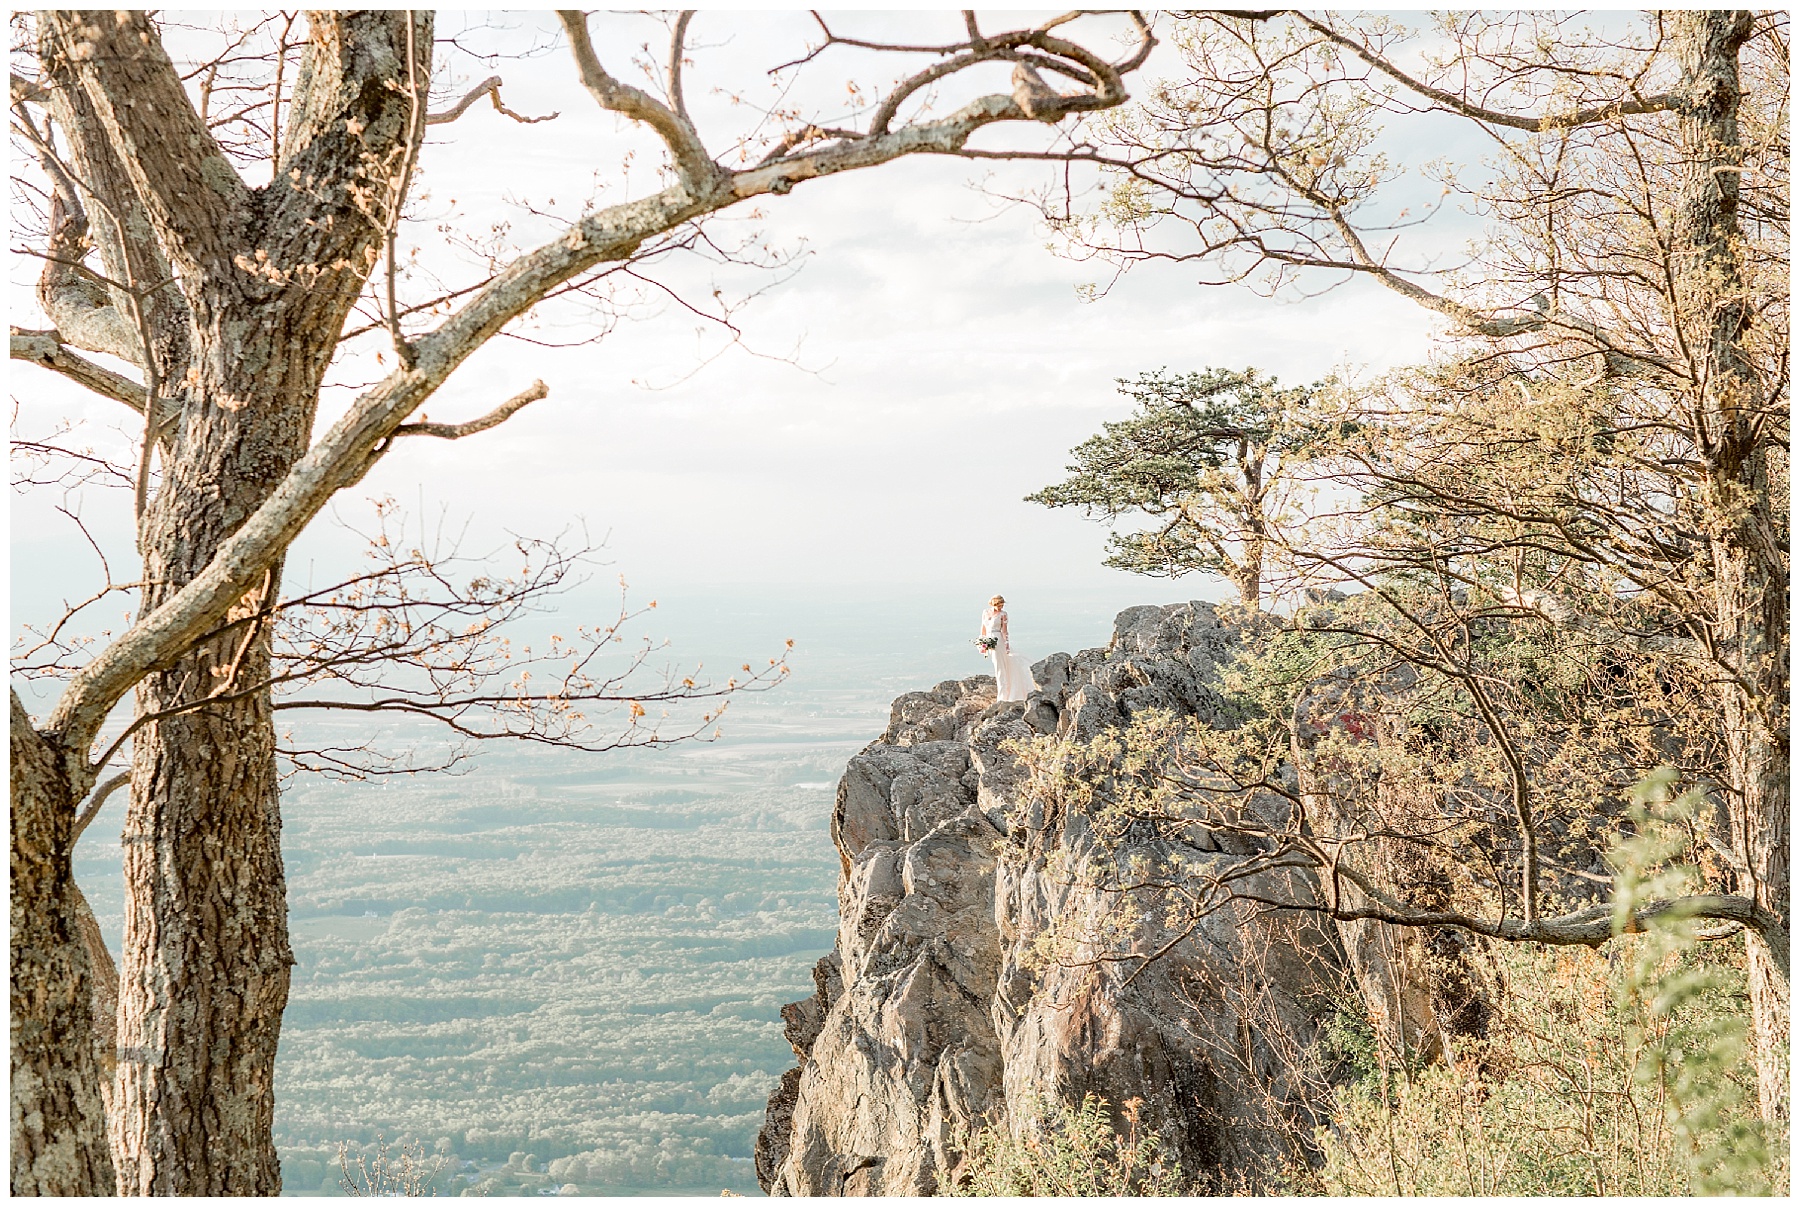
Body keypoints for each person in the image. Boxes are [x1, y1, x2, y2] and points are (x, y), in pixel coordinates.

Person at [980, 594, 1035, 702]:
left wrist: (1006, 645)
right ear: (994, 604)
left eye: (1002, 605)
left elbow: (1004, 631)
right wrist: (982, 643)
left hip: (998, 641)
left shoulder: (1003, 614)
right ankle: (1002, 694)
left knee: (1000, 668)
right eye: (999, 605)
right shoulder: (986, 612)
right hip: (989, 641)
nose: (1001, 607)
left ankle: (1003, 696)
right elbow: (983, 628)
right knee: (997, 667)